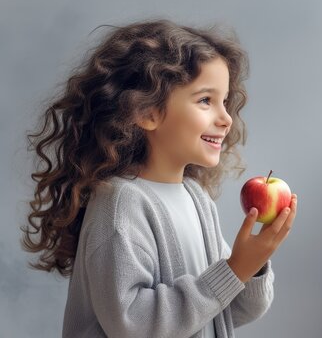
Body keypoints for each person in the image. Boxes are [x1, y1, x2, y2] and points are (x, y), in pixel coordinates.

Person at [20, 18, 297, 338]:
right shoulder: (121, 204)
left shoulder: (197, 199)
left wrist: (253, 266)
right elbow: (132, 326)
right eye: (206, 100)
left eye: (224, 102)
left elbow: (230, 309)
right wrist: (235, 269)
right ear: (146, 112)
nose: (225, 119)